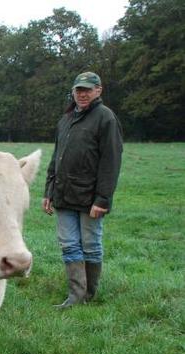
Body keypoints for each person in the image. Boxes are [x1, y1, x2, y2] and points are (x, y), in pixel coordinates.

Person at [42, 71, 123, 308]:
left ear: (99, 90)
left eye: (88, 89)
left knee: (90, 243)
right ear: (74, 92)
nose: (82, 94)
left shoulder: (105, 118)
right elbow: (56, 158)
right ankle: (76, 294)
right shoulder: (65, 120)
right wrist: (49, 191)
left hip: (90, 198)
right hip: (64, 195)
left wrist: (103, 199)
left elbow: (111, 162)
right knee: (69, 244)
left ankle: (89, 293)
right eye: (79, 89)